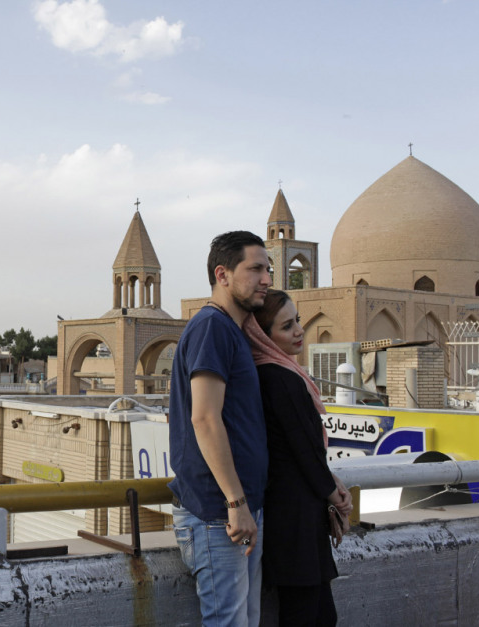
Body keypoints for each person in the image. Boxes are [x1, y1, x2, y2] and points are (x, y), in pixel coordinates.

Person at [168, 231, 273, 626]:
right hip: (219, 515)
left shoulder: (233, 331)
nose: (266, 279)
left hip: (238, 512)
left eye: (269, 270)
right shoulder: (211, 327)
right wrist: (236, 503)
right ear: (222, 274)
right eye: (256, 269)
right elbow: (205, 418)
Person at [244, 289, 353, 626]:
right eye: (286, 326)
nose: (298, 331)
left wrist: (329, 484)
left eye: (298, 321)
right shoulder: (281, 379)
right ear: (264, 335)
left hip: (293, 516)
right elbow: (303, 450)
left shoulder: (270, 374)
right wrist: (335, 494)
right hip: (293, 522)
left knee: (317, 613)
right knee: (307, 615)